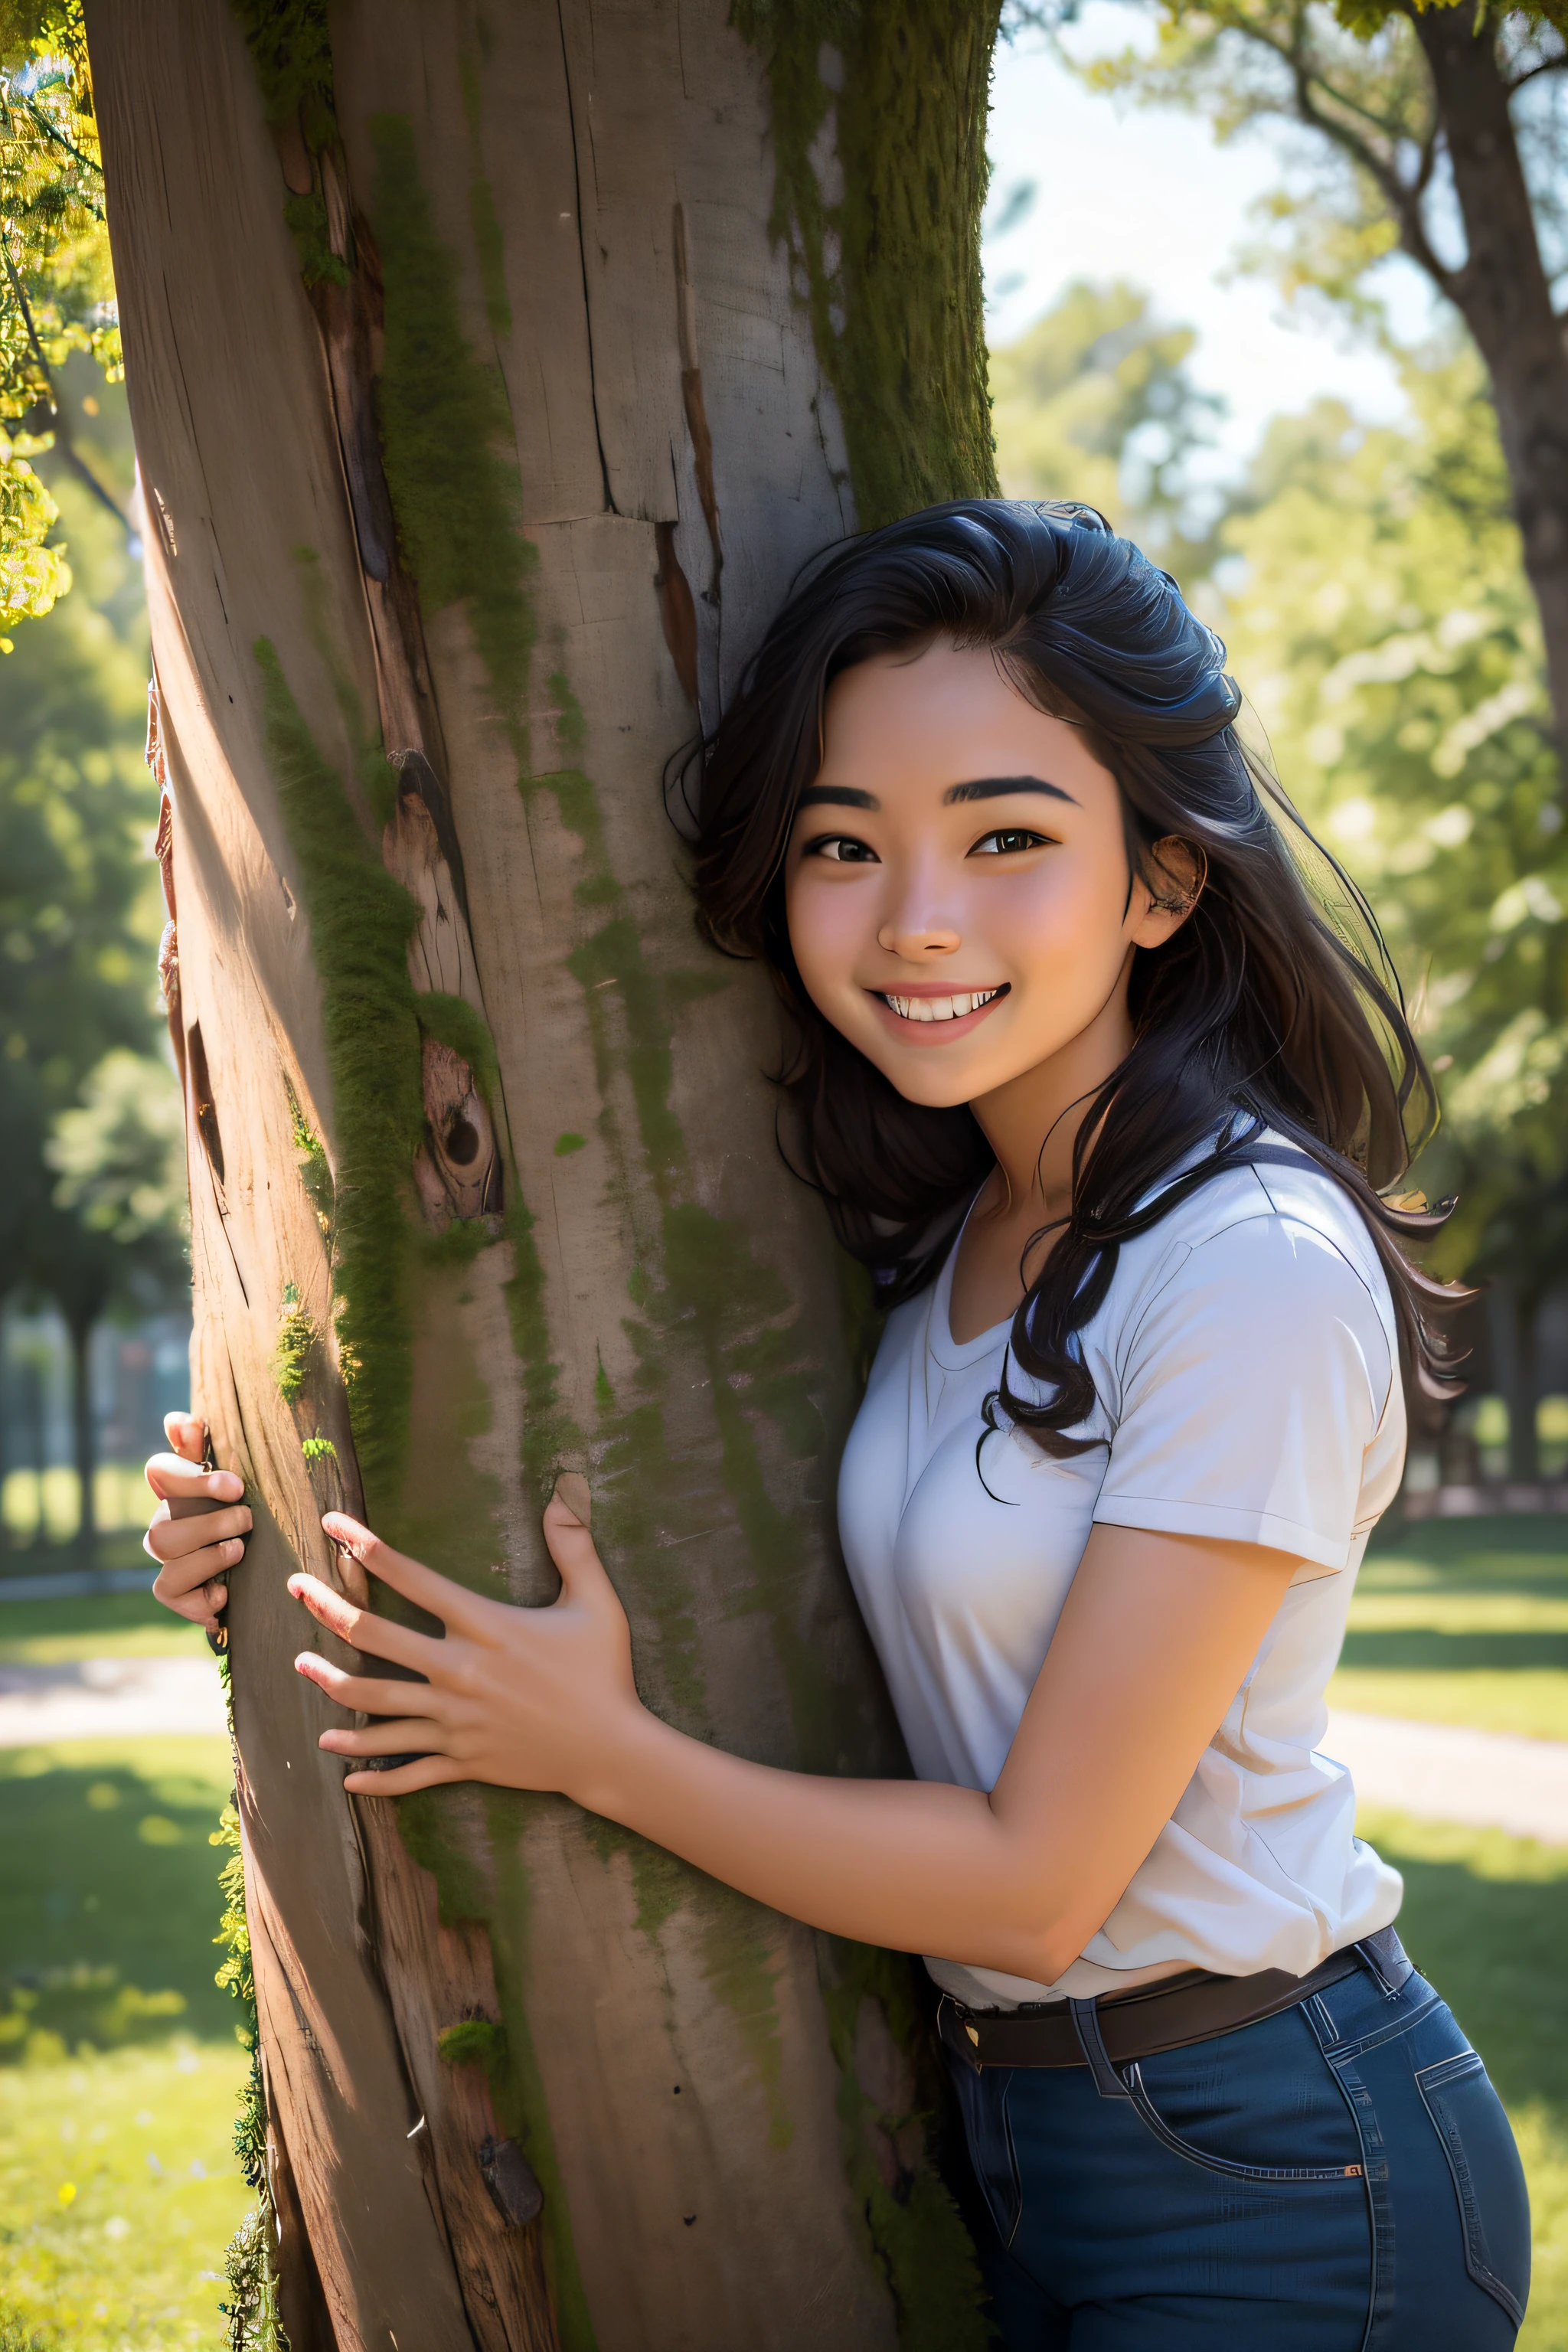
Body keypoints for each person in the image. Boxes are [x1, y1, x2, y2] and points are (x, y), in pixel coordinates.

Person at [144, 502, 1530, 2347]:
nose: (915, 921)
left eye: (1008, 838)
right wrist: (264, 1523)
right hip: (1030, 2140)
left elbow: (1042, 1889)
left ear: (1162, 881)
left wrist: (596, 1748)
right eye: (840, 847)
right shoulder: (964, 1234)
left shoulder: (1247, 1260)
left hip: (1284, 2169)